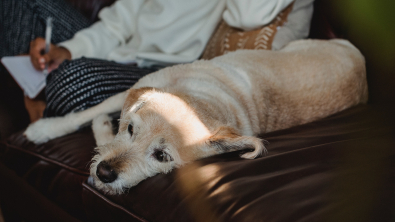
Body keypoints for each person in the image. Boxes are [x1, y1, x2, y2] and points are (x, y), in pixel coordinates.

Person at [1, 0, 310, 119]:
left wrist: (71, 63)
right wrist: (67, 50)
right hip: (116, 49)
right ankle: (40, 90)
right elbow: (117, 22)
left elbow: (250, 14)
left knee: (73, 80)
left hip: (155, 69)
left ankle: (43, 91)